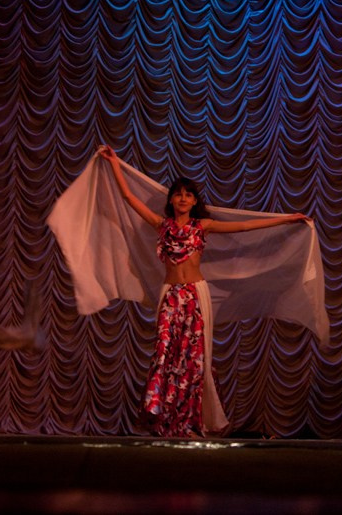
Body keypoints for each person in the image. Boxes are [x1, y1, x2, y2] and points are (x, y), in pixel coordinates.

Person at [96, 146, 311, 437]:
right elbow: (128, 198)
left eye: (188, 194)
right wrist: (114, 164)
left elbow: (245, 226)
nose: (183, 198)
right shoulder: (162, 225)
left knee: (193, 359)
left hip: (195, 295)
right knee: (165, 355)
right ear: (171, 199)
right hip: (171, 296)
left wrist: (286, 219)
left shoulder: (202, 226)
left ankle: (192, 421)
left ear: (194, 201)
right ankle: (166, 420)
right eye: (178, 193)